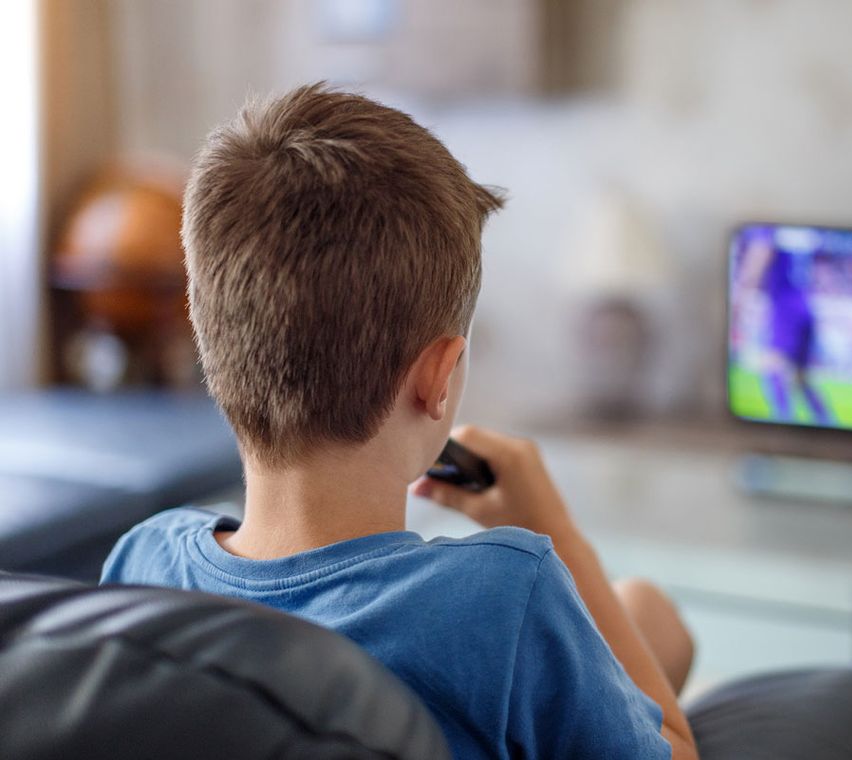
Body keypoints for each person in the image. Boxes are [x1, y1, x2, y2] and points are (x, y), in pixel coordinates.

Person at [100, 84, 696, 760]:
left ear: (211, 338)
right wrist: (551, 528)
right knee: (644, 616)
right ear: (437, 379)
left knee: (643, 609)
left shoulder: (143, 561)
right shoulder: (502, 598)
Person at [744, 231, 830, 424]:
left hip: (784, 305)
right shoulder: (799, 234)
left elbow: (760, 254)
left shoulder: (770, 229)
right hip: (806, 304)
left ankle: (781, 421)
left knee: (772, 365)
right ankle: (826, 421)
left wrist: (746, 288)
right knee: (802, 377)